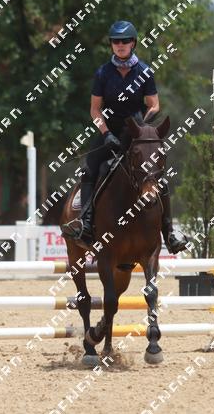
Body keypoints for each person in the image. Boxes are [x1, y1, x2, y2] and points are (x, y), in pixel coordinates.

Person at [69, 20, 187, 252]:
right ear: (111, 44)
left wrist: (141, 125)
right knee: (90, 169)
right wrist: (105, 134)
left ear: (133, 43)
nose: (120, 45)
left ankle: (169, 232)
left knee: (156, 174)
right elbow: (95, 110)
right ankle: (86, 223)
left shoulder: (144, 71)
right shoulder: (103, 73)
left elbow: (154, 105)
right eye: (116, 41)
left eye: (124, 41)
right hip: (110, 131)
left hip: (137, 132)